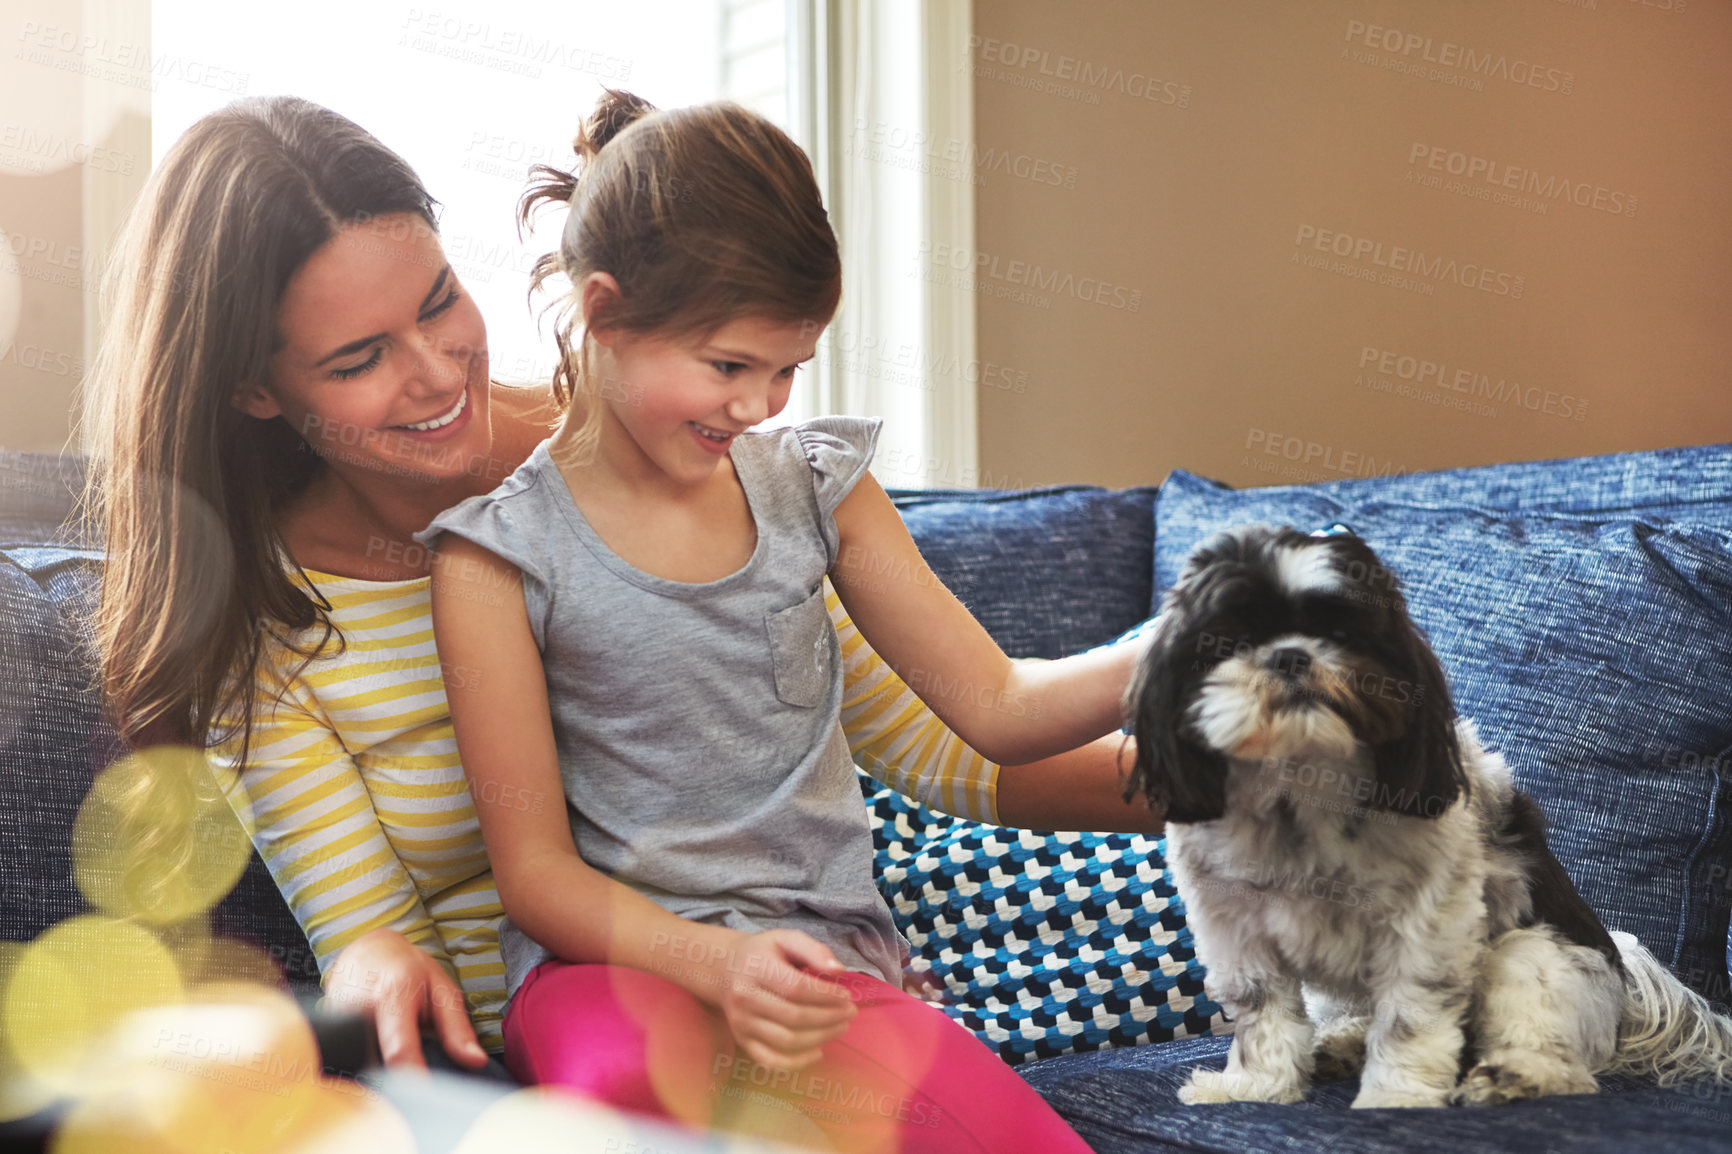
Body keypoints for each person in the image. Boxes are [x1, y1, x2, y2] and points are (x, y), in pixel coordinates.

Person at [77, 94, 1163, 1086]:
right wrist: (372, 977)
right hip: (576, 1043)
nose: (437, 371)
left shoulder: (661, 450)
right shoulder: (262, 623)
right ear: (255, 390)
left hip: (787, 971)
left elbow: (936, 741)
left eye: (440, 301)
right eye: (359, 357)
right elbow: (369, 925)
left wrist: (1234, 769)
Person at [416, 88, 1142, 1151]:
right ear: (605, 313)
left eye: (788, 367)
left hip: (818, 971)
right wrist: (716, 962)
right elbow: (535, 876)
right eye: (727, 365)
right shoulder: (495, 557)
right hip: (606, 974)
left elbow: (996, 706)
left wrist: (1165, 654)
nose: (760, 404)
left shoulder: (819, 488)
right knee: (631, 1086)